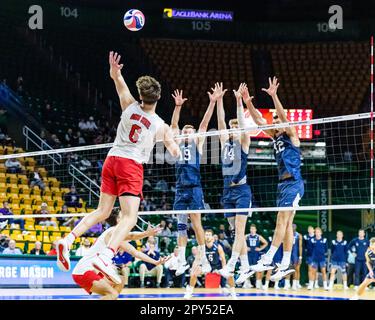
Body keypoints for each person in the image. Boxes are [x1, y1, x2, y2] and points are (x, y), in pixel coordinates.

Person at [57, 51, 180, 285]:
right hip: (131, 165)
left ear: (142, 96)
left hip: (111, 160)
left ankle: (69, 239)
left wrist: (116, 71)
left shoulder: (129, 105)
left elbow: (118, 79)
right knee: (130, 217)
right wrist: (180, 145)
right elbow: (174, 151)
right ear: (158, 98)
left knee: (103, 211)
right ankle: (106, 256)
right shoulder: (160, 125)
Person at [243, 78, 304, 280]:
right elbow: (259, 121)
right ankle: (285, 263)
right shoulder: (275, 136)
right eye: (275, 121)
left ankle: (269, 257)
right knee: (286, 224)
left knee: (281, 221)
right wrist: (248, 102)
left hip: (294, 182)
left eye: (278, 121)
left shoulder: (292, 135)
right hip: (282, 184)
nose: (277, 123)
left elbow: (286, 120)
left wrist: (274, 95)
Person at [170, 87, 217, 277]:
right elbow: (173, 124)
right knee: (181, 226)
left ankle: (204, 259)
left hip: (195, 188)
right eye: (185, 130)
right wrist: (177, 106)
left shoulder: (197, 143)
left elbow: (205, 124)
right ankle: (181, 260)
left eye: (190, 131)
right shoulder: (177, 143)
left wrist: (212, 102)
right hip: (181, 189)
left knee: (197, 224)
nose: (188, 133)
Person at [72, 207, 163, 299]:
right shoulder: (112, 231)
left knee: (121, 280)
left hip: (91, 270)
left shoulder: (117, 237)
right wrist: (146, 233)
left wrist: (155, 262)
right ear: (118, 220)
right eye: (123, 215)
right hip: (84, 271)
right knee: (112, 294)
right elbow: (132, 235)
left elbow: (135, 252)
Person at [215, 83, 253, 281]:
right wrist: (219, 100)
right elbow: (221, 122)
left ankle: (231, 265)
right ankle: (245, 266)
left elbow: (242, 125)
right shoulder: (225, 143)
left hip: (241, 190)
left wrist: (239, 101)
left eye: (235, 128)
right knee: (236, 232)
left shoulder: (244, 142)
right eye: (231, 129)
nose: (232, 130)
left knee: (239, 231)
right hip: (226, 192)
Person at [184, 229, 237, 299]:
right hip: (206, 267)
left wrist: (224, 268)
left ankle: (233, 294)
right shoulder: (201, 247)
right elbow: (197, 260)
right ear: (204, 236)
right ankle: (189, 292)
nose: (207, 236)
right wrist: (193, 268)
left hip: (218, 267)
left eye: (209, 235)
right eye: (206, 235)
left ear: (212, 237)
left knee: (230, 275)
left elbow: (223, 258)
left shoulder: (218, 246)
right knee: (194, 273)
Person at [240, 224, 268, 288]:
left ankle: (258, 283)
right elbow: (240, 242)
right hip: (249, 254)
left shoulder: (258, 236)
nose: (252, 230)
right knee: (247, 268)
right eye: (251, 229)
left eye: (253, 229)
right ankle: (247, 282)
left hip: (256, 254)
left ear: (255, 230)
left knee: (257, 268)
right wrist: (245, 247)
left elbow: (266, 243)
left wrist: (260, 248)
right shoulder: (247, 236)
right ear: (250, 229)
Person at [285, 224, 303, 290]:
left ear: (296, 227)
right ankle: (287, 284)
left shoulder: (299, 235)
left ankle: (294, 284)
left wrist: (300, 257)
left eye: (294, 226)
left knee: (296, 269)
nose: (293, 227)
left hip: (295, 254)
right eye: (292, 226)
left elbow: (300, 246)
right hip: (288, 254)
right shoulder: (287, 234)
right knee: (288, 269)